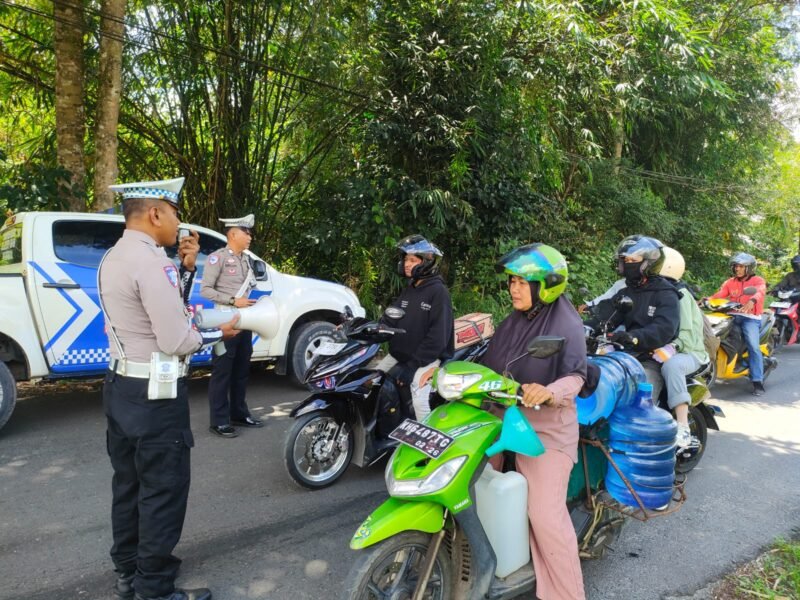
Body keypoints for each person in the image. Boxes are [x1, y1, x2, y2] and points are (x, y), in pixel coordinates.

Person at [100, 177, 238, 600]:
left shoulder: (114, 256)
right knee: (162, 491)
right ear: (156, 212)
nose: (179, 223)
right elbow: (177, 339)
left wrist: (188, 268)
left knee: (129, 485)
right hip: (155, 397)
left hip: (121, 386)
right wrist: (220, 336)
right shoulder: (151, 262)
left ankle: (128, 573)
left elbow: (159, 310)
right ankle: (155, 589)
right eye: (176, 213)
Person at [481, 243, 587, 600]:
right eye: (511, 281)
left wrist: (548, 392)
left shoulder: (567, 324)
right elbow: (489, 363)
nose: (513, 288)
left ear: (548, 284)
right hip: (500, 418)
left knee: (544, 513)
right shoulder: (513, 321)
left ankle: (566, 594)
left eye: (523, 282)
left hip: (545, 430)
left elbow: (576, 376)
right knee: (468, 482)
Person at [585, 235, 681, 401]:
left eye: (632, 260)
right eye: (624, 261)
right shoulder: (627, 292)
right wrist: (585, 328)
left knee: (641, 401)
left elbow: (664, 328)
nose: (626, 265)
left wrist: (635, 337)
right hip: (626, 354)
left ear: (649, 263)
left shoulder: (666, 294)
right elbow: (608, 315)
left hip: (652, 357)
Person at [376, 234, 454, 421]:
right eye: (405, 259)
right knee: (373, 380)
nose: (407, 263)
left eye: (412, 260)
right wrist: (371, 330)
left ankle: (428, 441)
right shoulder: (410, 289)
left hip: (427, 360)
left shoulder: (438, 292)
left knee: (418, 397)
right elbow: (392, 317)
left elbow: (437, 338)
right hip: (399, 354)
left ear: (426, 262)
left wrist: (412, 367)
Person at [200, 214, 264, 438]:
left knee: (241, 370)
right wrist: (232, 301)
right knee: (222, 372)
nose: (250, 236)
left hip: (245, 321)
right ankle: (218, 421)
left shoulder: (246, 259)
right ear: (233, 234)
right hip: (225, 321)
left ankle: (239, 413)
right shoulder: (217, 259)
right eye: (246, 232)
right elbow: (205, 290)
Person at [654, 247, 709, 448]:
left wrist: (671, 347)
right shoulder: (651, 291)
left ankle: (683, 427)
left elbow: (686, 333)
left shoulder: (681, 294)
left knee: (672, 366)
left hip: (689, 352)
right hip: (658, 349)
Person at [709, 252, 767, 396]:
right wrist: (706, 300)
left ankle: (757, 381)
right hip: (732, 316)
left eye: (741, 266)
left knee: (753, 346)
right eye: (736, 266)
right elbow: (720, 294)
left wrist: (752, 301)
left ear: (749, 268)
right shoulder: (730, 282)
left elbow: (760, 292)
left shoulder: (757, 280)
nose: (737, 269)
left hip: (750, 318)